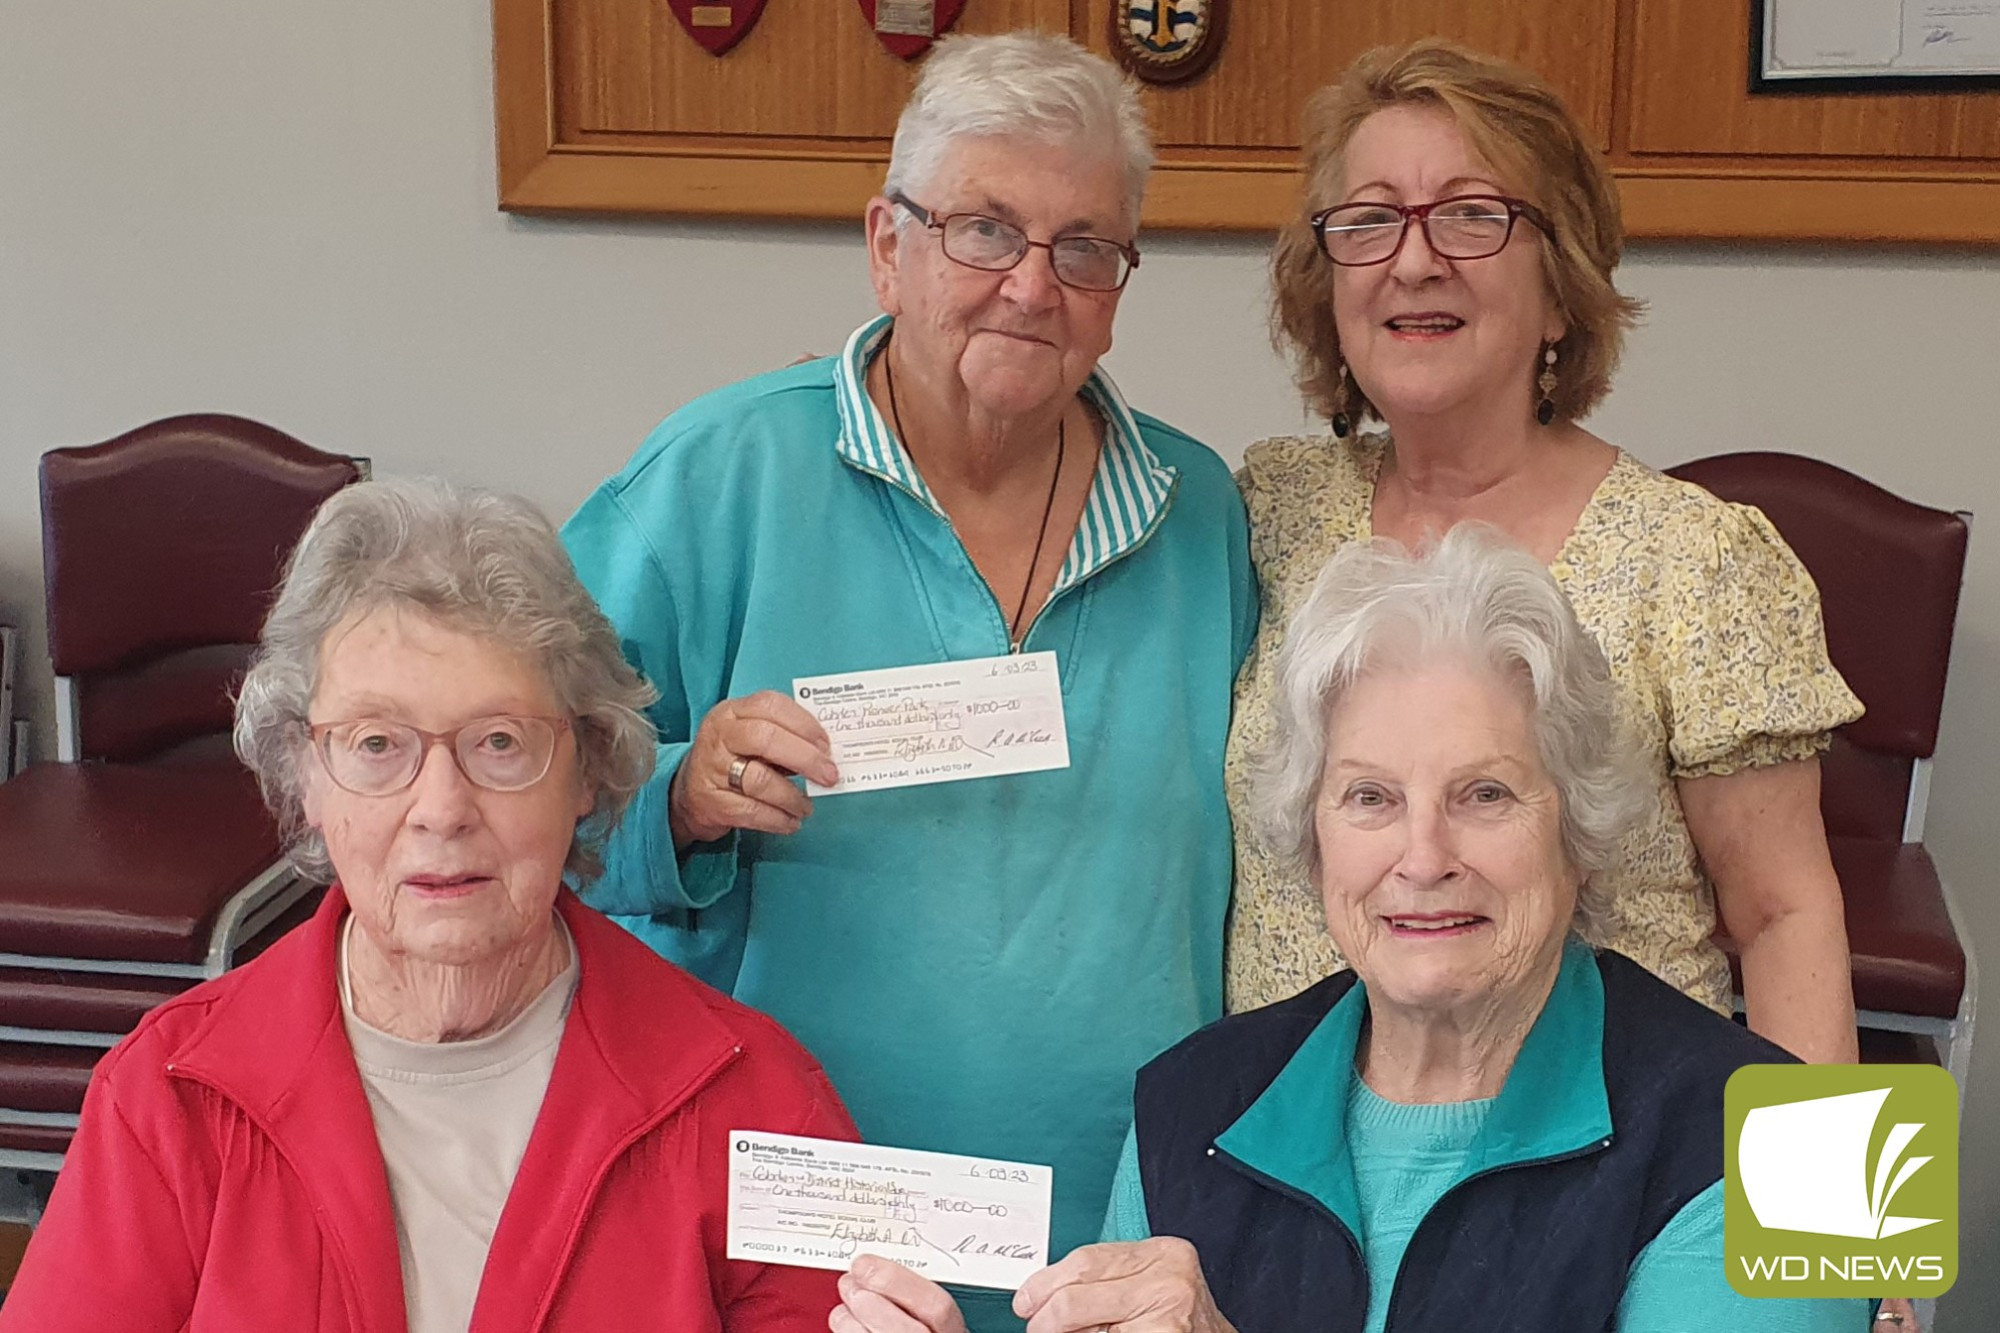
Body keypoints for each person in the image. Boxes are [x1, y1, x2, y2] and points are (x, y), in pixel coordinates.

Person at [562, 30, 1255, 1328]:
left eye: (1085, 247)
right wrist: (678, 798)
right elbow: (516, 784)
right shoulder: (721, 477)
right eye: (985, 230)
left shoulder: (1200, 515)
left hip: (1114, 1229)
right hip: (801, 1223)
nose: (1034, 287)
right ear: (889, 244)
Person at [829, 528, 1872, 1333]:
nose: (1421, 856)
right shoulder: (1181, 1096)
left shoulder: (1821, 1145)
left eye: (1485, 794)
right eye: (1368, 798)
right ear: (1311, 835)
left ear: (1583, 825)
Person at [0, 479, 857, 1333]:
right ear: (305, 776)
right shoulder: (170, 1099)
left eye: (499, 742)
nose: (440, 807)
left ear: (589, 766)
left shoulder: (757, 1105)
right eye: (377, 744)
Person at [1226, 39, 1864, 1065]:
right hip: (1294, 1170)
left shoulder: (1693, 560)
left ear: (1561, 286)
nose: (1414, 257)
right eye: (1371, 218)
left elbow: (1785, 917)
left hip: (1614, 1184)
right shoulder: (1270, 513)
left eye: (1473, 215)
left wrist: (1828, 1231)